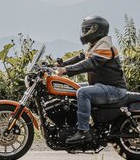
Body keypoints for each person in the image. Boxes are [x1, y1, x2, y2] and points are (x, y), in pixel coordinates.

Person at [55, 15, 129, 145]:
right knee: (72, 87)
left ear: (96, 30)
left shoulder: (105, 46)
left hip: (114, 89)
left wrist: (67, 70)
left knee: (83, 92)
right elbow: (81, 57)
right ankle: (74, 124)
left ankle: (83, 131)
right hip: (102, 85)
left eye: (87, 30)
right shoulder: (95, 45)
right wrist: (61, 65)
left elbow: (90, 63)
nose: (84, 33)